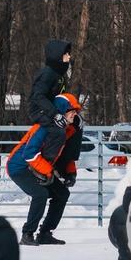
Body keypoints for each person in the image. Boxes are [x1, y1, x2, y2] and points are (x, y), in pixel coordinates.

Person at [7, 92, 84, 246]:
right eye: (71, 111)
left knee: (62, 193)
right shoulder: (43, 127)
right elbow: (30, 154)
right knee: (40, 194)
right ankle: (27, 234)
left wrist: (70, 172)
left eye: (76, 112)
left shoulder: (67, 130)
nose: (74, 115)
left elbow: (65, 155)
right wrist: (48, 172)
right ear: (61, 112)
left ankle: (45, 233)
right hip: (19, 167)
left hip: (39, 167)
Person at [26, 39, 74, 183]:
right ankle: (40, 167)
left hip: (52, 110)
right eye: (66, 54)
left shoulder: (60, 75)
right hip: (39, 111)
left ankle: (64, 167)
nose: (69, 57)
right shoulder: (47, 73)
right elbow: (38, 96)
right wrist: (55, 115)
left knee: (74, 128)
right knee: (58, 132)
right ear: (57, 55)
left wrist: (70, 112)